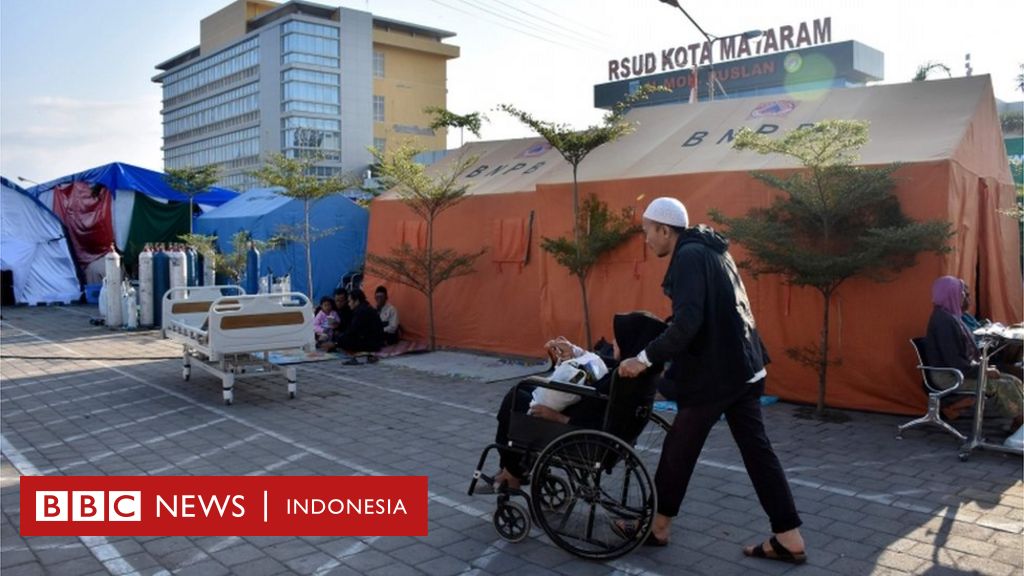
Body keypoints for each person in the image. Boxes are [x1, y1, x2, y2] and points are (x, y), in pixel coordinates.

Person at [617, 197, 806, 563]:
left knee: (679, 449)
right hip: (745, 367)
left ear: (664, 229)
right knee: (757, 453)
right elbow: (707, 314)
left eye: (647, 232)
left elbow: (689, 323)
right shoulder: (713, 250)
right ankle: (789, 537)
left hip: (719, 374)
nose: (646, 240)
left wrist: (642, 359)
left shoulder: (689, 257)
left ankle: (657, 527)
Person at [483, 311, 667, 493]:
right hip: (603, 431)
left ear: (633, 342)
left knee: (515, 399)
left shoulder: (624, 378)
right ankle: (512, 470)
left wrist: (558, 418)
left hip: (580, 430)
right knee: (524, 391)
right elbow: (604, 365)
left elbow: (605, 418)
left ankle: (512, 473)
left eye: (618, 339)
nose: (613, 342)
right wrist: (576, 351)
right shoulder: (642, 373)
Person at [925, 276, 1023, 427]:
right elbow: (957, 364)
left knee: (1013, 380)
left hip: (958, 370)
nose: (964, 295)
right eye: (962, 292)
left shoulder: (951, 317)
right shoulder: (944, 322)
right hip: (948, 376)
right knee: (1004, 384)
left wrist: (984, 369)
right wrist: (984, 371)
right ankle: (1019, 422)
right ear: (951, 294)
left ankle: (1018, 422)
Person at [331, 288, 384, 354]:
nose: (349, 303)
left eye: (350, 301)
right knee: (341, 337)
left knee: (343, 340)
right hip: (373, 340)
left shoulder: (361, 311)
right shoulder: (364, 308)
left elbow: (352, 330)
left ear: (357, 301)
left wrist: (336, 343)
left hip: (373, 344)